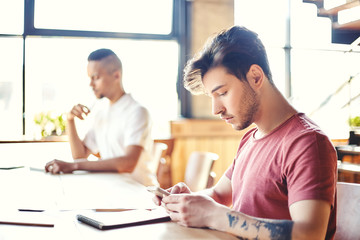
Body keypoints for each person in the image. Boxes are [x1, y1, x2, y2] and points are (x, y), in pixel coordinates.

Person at [153, 26, 337, 239]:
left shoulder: (307, 143)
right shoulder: (250, 139)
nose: (215, 109)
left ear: (256, 77)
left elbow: (309, 235)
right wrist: (186, 202)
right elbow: (218, 195)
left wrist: (216, 216)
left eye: (222, 93)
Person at [45, 48, 158, 186]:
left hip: (140, 192)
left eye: (96, 78)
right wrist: (70, 120)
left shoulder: (137, 112)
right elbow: (80, 156)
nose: (91, 84)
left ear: (116, 76)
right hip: (115, 189)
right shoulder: (101, 112)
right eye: (90, 78)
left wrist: (74, 167)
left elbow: (127, 163)